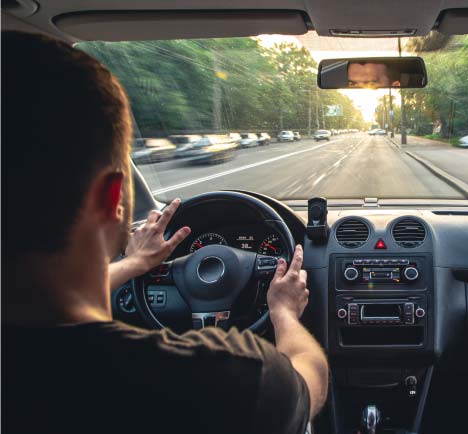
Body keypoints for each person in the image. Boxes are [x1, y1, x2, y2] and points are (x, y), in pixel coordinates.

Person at [1, 30, 329, 434]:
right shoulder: (231, 378)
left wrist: (135, 265)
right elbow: (309, 378)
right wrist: (283, 312)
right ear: (114, 198)